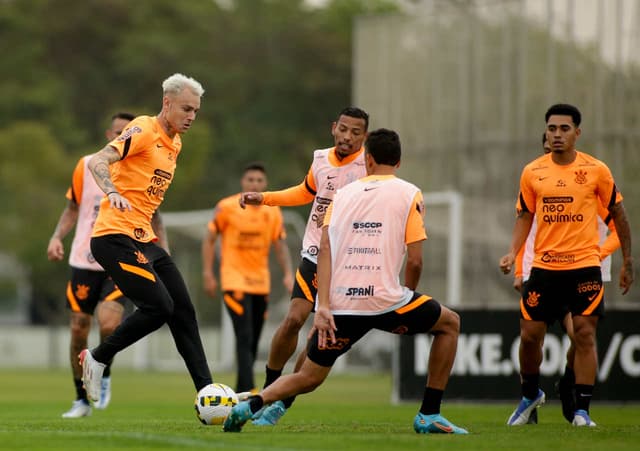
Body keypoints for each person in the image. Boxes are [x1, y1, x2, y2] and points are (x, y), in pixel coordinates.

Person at [223, 128, 467, 434]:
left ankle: (253, 404)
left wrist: (324, 305)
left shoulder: (342, 196)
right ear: (399, 162)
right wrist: (408, 294)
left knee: (309, 377)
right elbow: (416, 259)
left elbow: (325, 249)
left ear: (367, 158)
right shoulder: (410, 193)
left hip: (342, 302)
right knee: (450, 324)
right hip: (385, 300)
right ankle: (429, 414)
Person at [79, 73, 213, 402]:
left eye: (195, 110)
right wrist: (112, 191)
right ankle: (97, 357)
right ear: (166, 103)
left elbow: (150, 200)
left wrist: (161, 247)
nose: (191, 116)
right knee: (160, 307)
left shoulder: (176, 144)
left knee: (183, 311)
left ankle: (208, 392)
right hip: (113, 235)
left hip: (144, 240)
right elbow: (99, 160)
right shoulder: (143, 129)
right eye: (185, 109)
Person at [500, 104, 633, 427]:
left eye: (563, 128)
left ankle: (582, 411)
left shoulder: (596, 170)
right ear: (546, 132)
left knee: (584, 335)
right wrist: (512, 252)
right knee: (529, 335)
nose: (556, 134)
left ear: (577, 132)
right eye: (551, 128)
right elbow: (525, 216)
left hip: (585, 266)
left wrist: (627, 260)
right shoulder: (533, 171)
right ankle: (530, 395)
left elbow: (618, 215)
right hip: (544, 269)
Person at [237, 106, 369, 425]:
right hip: (313, 252)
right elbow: (305, 192)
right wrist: (263, 197)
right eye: (344, 129)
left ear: (364, 137)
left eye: (356, 132)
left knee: (317, 336)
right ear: (334, 127)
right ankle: (269, 389)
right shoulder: (321, 159)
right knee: (294, 318)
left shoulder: (369, 166)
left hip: (348, 262)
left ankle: (282, 403)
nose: (348, 137)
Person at [48, 113, 139, 418]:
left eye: (127, 134)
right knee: (78, 330)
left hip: (120, 257)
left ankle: (103, 370)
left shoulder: (140, 165)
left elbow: (154, 215)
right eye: (118, 133)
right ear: (108, 134)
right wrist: (56, 237)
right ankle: (80, 400)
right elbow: (73, 207)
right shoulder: (86, 164)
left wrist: (159, 249)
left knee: (110, 324)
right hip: (83, 259)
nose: (122, 139)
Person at [202, 162, 294, 393]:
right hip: (234, 281)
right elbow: (210, 238)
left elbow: (280, 244)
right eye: (250, 180)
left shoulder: (272, 209)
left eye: (259, 181)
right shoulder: (227, 207)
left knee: (253, 339)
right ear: (243, 182)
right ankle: (249, 389)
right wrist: (207, 273)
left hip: (261, 283)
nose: (254, 184)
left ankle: (242, 387)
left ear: (265, 184)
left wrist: (288, 274)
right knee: (243, 335)